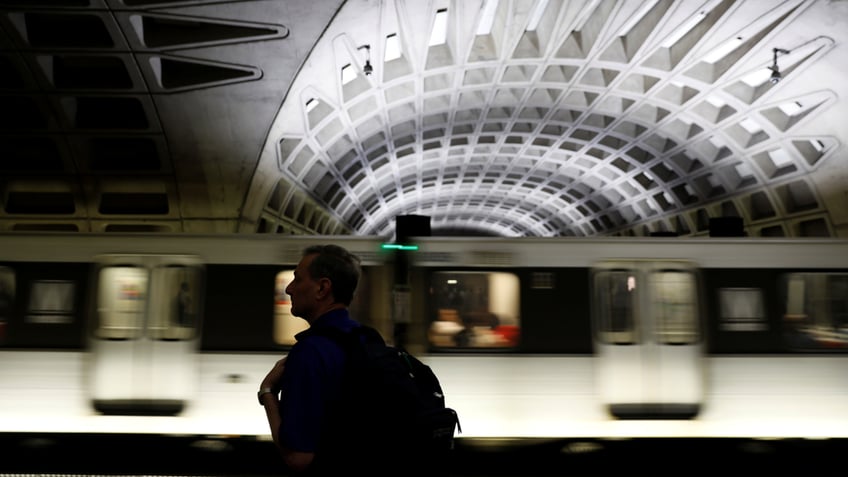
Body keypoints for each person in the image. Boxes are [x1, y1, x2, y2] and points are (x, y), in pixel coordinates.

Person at [258, 244, 365, 475]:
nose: (288, 289)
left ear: (322, 288)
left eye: (297, 279)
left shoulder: (311, 352)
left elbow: (298, 458)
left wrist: (267, 392)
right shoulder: (365, 339)